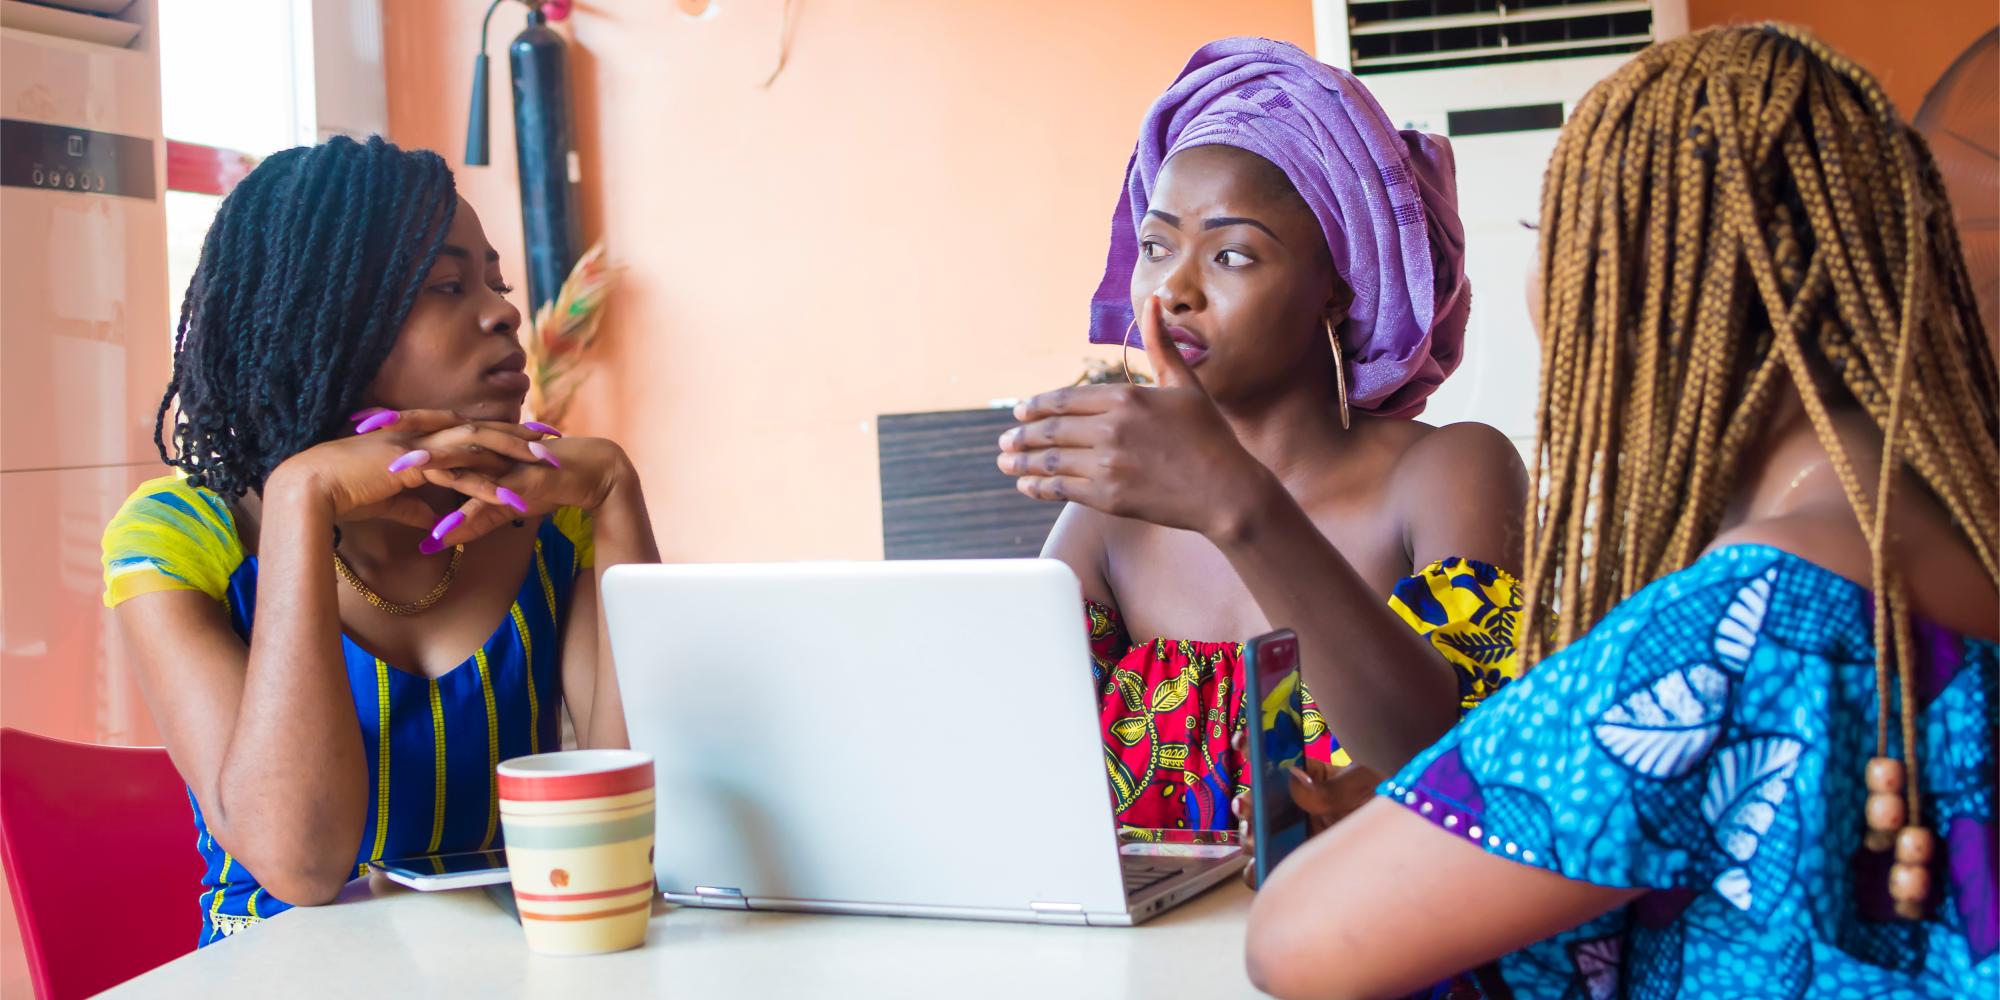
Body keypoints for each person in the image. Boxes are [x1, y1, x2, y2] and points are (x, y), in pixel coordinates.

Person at [1245, 24, 1997, 998]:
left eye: (1543, 235)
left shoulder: (1749, 617)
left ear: (1645, 287)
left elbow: (1295, 941)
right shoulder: (1959, 550)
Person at [100, 136, 660, 945]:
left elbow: (630, 837)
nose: (505, 310)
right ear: (322, 318)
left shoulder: (554, 521)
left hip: (512, 964)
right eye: (446, 284)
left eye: (497, 282)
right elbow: (300, 864)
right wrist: (301, 499)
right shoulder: (180, 536)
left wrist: (615, 492)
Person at [998, 37, 1528, 835]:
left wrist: (1237, 504)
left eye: (1233, 253)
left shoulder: (1450, 472)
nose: (1174, 289)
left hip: (1365, 954)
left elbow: (1451, 768)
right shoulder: (1111, 519)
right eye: (1156, 246)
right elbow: (1012, 764)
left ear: (1339, 288)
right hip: (1145, 960)